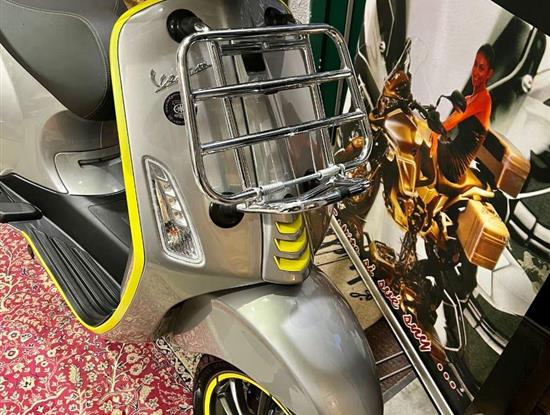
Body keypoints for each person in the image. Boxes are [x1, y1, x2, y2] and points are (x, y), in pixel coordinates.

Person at [430, 44, 496, 182]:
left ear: (489, 74)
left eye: (481, 68)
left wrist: (435, 134)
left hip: (455, 165)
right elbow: (448, 123)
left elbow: (454, 120)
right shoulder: (468, 99)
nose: (475, 72)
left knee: (421, 147)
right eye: (475, 65)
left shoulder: (484, 99)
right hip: (449, 150)